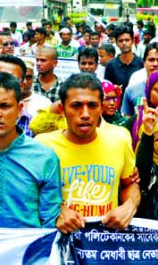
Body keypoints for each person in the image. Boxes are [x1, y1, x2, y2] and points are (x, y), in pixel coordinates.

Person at [36, 73, 139, 234]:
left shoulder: (119, 138)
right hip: (57, 243)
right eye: (76, 106)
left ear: (101, 107)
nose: (85, 114)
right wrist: (57, 209)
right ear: (62, 109)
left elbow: (130, 183)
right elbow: (29, 195)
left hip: (103, 244)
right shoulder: (43, 146)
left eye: (92, 106)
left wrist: (129, 206)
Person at [0, 72, 61, 230]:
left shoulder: (44, 157)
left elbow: (49, 219)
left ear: (19, 109)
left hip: (28, 251)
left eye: (4, 106)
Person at [103, 25, 144, 90]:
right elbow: (107, 90)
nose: (124, 43)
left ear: (132, 41)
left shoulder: (142, 63)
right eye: (121, 41)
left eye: (127, 40)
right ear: (116, 43)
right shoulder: (111, 65)